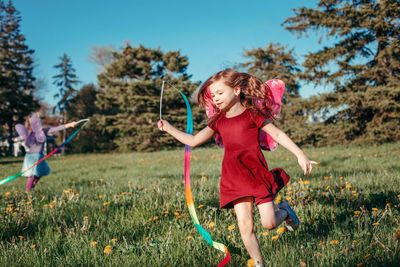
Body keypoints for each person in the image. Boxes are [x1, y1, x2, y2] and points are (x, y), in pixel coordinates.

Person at [157, 69, 317, 267]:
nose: (215, 98)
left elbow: (278, 135)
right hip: (234, 178)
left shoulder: (253, 115)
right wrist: (169, 128)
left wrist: (300, 154)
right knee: (244, 225)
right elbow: (194, 140)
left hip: (256, 175)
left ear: (236, 90)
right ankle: (259, 263)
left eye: (219, 93)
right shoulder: (218, 120)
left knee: (269, 224)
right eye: (212, 95)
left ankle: (284, 210)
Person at [13, 113, 77, 192]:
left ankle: (31, 187)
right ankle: (27, 191)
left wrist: (70, 124)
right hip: (32, 156)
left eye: (39, 122)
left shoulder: (44, 131)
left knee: (40, 173)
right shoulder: (30, 133)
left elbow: (57, 128)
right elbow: (22, 136)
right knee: (33, 174)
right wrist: (16, 139)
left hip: (39, 155)